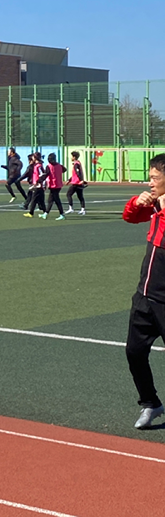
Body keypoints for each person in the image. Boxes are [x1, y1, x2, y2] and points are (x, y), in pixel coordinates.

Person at [122, 154, 165, 429]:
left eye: (154, 178)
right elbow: (130, 217)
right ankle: (151, 404)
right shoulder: (155, 204)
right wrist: (137, 203)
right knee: (134, 352)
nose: (150, 182)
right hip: (145, 298)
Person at [42, 153, 66, 221]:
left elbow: (46, 175)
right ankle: (46, 213)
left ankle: (62, 214)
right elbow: (64, 170)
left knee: (57, 200)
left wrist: (39, 180)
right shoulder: (59, 165)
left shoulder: (49, 166)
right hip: (58, 185)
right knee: (50, 200)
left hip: (53, 185)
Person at [24, 152, 47, 218]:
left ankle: (31, 213)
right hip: (38, 185)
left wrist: (39, 182)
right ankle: (45, 212)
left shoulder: (38, 166)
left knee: (34, 199)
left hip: (38, 185)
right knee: (41, 200)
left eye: (33, 157)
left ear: (35, 158)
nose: (32, 158)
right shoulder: (38, 165)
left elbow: (43, 174)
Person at [65, 151, 87, 215]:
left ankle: (70, 208)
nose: (71, 157)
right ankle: (83, 210)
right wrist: (69, 180)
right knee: (80, 196)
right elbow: (75, 174)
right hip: (78, 182)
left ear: (74, 157)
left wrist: (81, 180)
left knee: (68, 194)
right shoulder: (78, 163)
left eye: (72, 156)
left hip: (76, 183)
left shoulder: (76, 164)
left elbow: (77, 173)